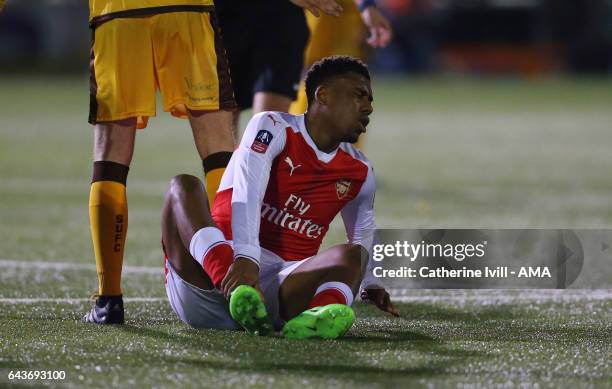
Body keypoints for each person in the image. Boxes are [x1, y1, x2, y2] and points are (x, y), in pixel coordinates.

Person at [162, 56, 399, 339]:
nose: (369, 107)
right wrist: (245, 258)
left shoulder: (360, 170)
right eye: (359, 95)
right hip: (213, 279)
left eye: (370, 100)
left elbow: (362, 234)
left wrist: (369, 282)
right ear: (322, 95)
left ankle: (312, 322)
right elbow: (249, 189)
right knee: (183, 187)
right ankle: (240, 292)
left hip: (277, 294)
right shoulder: (272, 126)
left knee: (353, 255)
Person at [84, 0, 236, 324]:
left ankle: (108, 299)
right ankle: (234, 280)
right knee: (218, 148)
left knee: (110, 155)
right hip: (187, 10)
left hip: (117, 12)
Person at [214, 0, 343, 139]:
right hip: (228, 17)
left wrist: (365, 5)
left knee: (267, 125)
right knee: (226, 120)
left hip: (281, 18)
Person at [289, 0, 392, 149]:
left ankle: (342, 157)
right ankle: (301, 149)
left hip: (347, 9)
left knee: (345, 74)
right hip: (325, 9)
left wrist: (367, 6)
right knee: (314, 70)